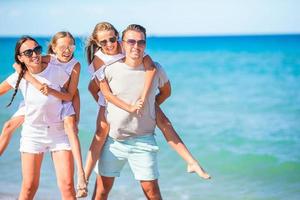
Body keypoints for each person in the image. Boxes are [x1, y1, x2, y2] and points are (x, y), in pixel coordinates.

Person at [84, 22, 210, 190]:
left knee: (164, 124)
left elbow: (161, 84)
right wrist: (108, 105)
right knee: (101, 185)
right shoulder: (104, 65)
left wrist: (149, 103)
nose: (136, 45)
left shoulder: (147, 62)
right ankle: (82, 178)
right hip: (112, 123)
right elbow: (95, 89)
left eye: (141, 42)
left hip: (142, 130)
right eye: (131, 41)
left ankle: (192, 162)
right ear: (122, 42)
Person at [1, 32, 88, 197]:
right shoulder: (18, 76)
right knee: (29, 188)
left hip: (58, 133)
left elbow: (72, 93)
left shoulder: (56, 68)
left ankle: (82, 177)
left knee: (68, 187)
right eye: (28, 52)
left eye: (37, 49)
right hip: (33, 134)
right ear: (20, 58)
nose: (34, 54)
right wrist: (24, 74)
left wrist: (76, 117)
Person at [83, 22, 157, 188]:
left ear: (118, 37)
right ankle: (83, 178)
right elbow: (102, 92)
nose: (109, 44)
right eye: (104, 42)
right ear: (97, 43)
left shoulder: (126, 47)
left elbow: (150, 67)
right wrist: (109, 107)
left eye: (112, 39)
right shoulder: (99, 60)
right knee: (100, 134)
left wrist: (144, 97)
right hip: (108, 96)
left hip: (120, 91)